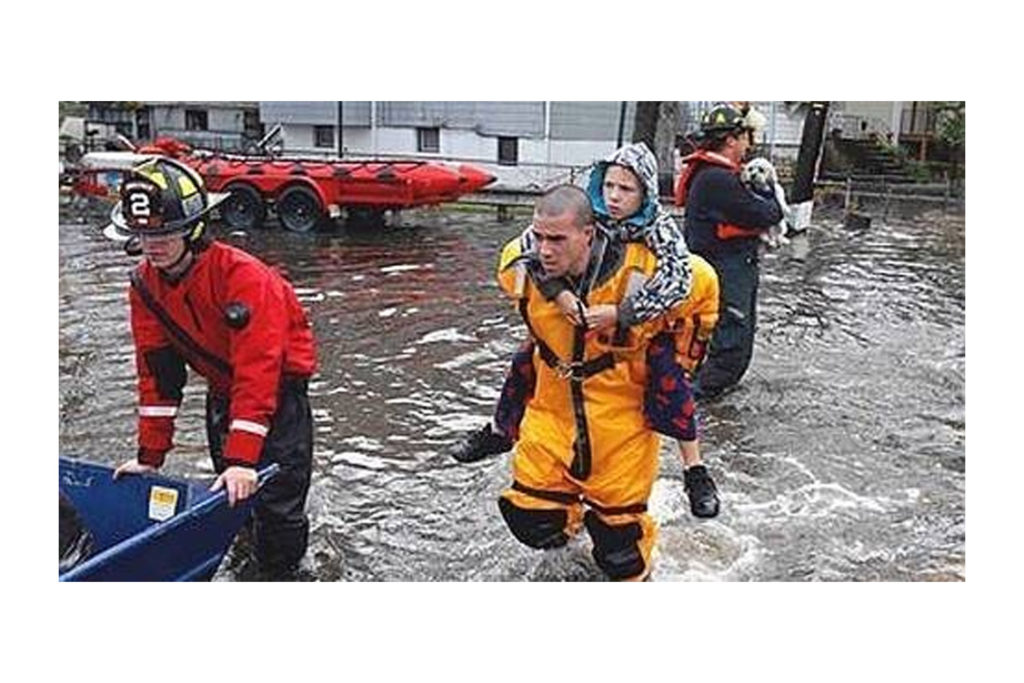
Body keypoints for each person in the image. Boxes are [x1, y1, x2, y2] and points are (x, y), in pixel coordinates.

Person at [452, 143, 721, 518]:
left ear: (644, 191)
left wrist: (621, 313)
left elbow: (681, 281)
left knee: (670, 381)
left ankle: (695, 470)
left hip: (636, 332)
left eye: (626, 189)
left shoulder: (659, 232)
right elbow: (530, 252)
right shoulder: (577, 218)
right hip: (565, 371)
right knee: (525, 361)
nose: (614, 196)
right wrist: (558, 293)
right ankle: (500, 430)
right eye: (609, 185)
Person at [104, 157, 318, 580]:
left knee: (278, 511)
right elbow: (157, 376)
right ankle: (243, 557)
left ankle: (286, 577)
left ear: (194, 227)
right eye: (144, 233)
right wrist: (150, 457)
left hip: (278, 399)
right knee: (233, 500)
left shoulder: (246, 279)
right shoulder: (145, 285)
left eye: (165, 232)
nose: (154, 244)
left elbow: (260, 372)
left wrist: (243, 458)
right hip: (223, 395)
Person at [675, 103, 783, 400]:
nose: (749, 144)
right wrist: (770, 192)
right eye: (746, 137)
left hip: (724, 265)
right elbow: (768, 214)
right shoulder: (717, 179)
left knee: (722, 330)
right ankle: (706, 396)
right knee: (731, 329)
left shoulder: (711, 175)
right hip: (725, 268)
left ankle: (709, 393)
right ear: (732, 139)